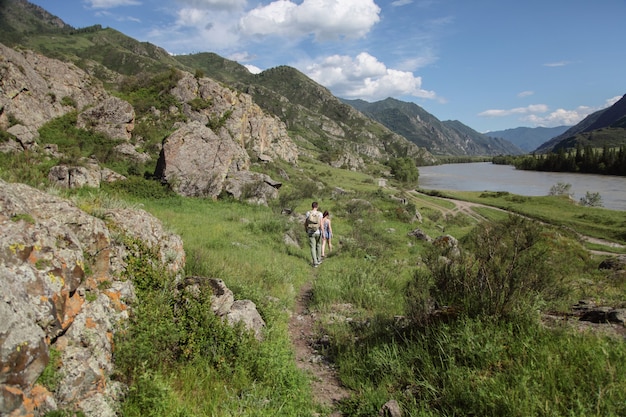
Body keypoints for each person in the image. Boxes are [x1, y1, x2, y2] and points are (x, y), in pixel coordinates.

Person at [304, 201, 323, 267]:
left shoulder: (308, 213)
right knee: (319, 245)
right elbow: (321, 224)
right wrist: (322, 231)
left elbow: (306, 223)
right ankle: (319, 259)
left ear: (312, 206)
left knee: (312, 247)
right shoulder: (320, 214)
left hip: (310, 231)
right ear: (317, 206)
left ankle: (315, 262)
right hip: (318, 231)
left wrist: (306, 229)